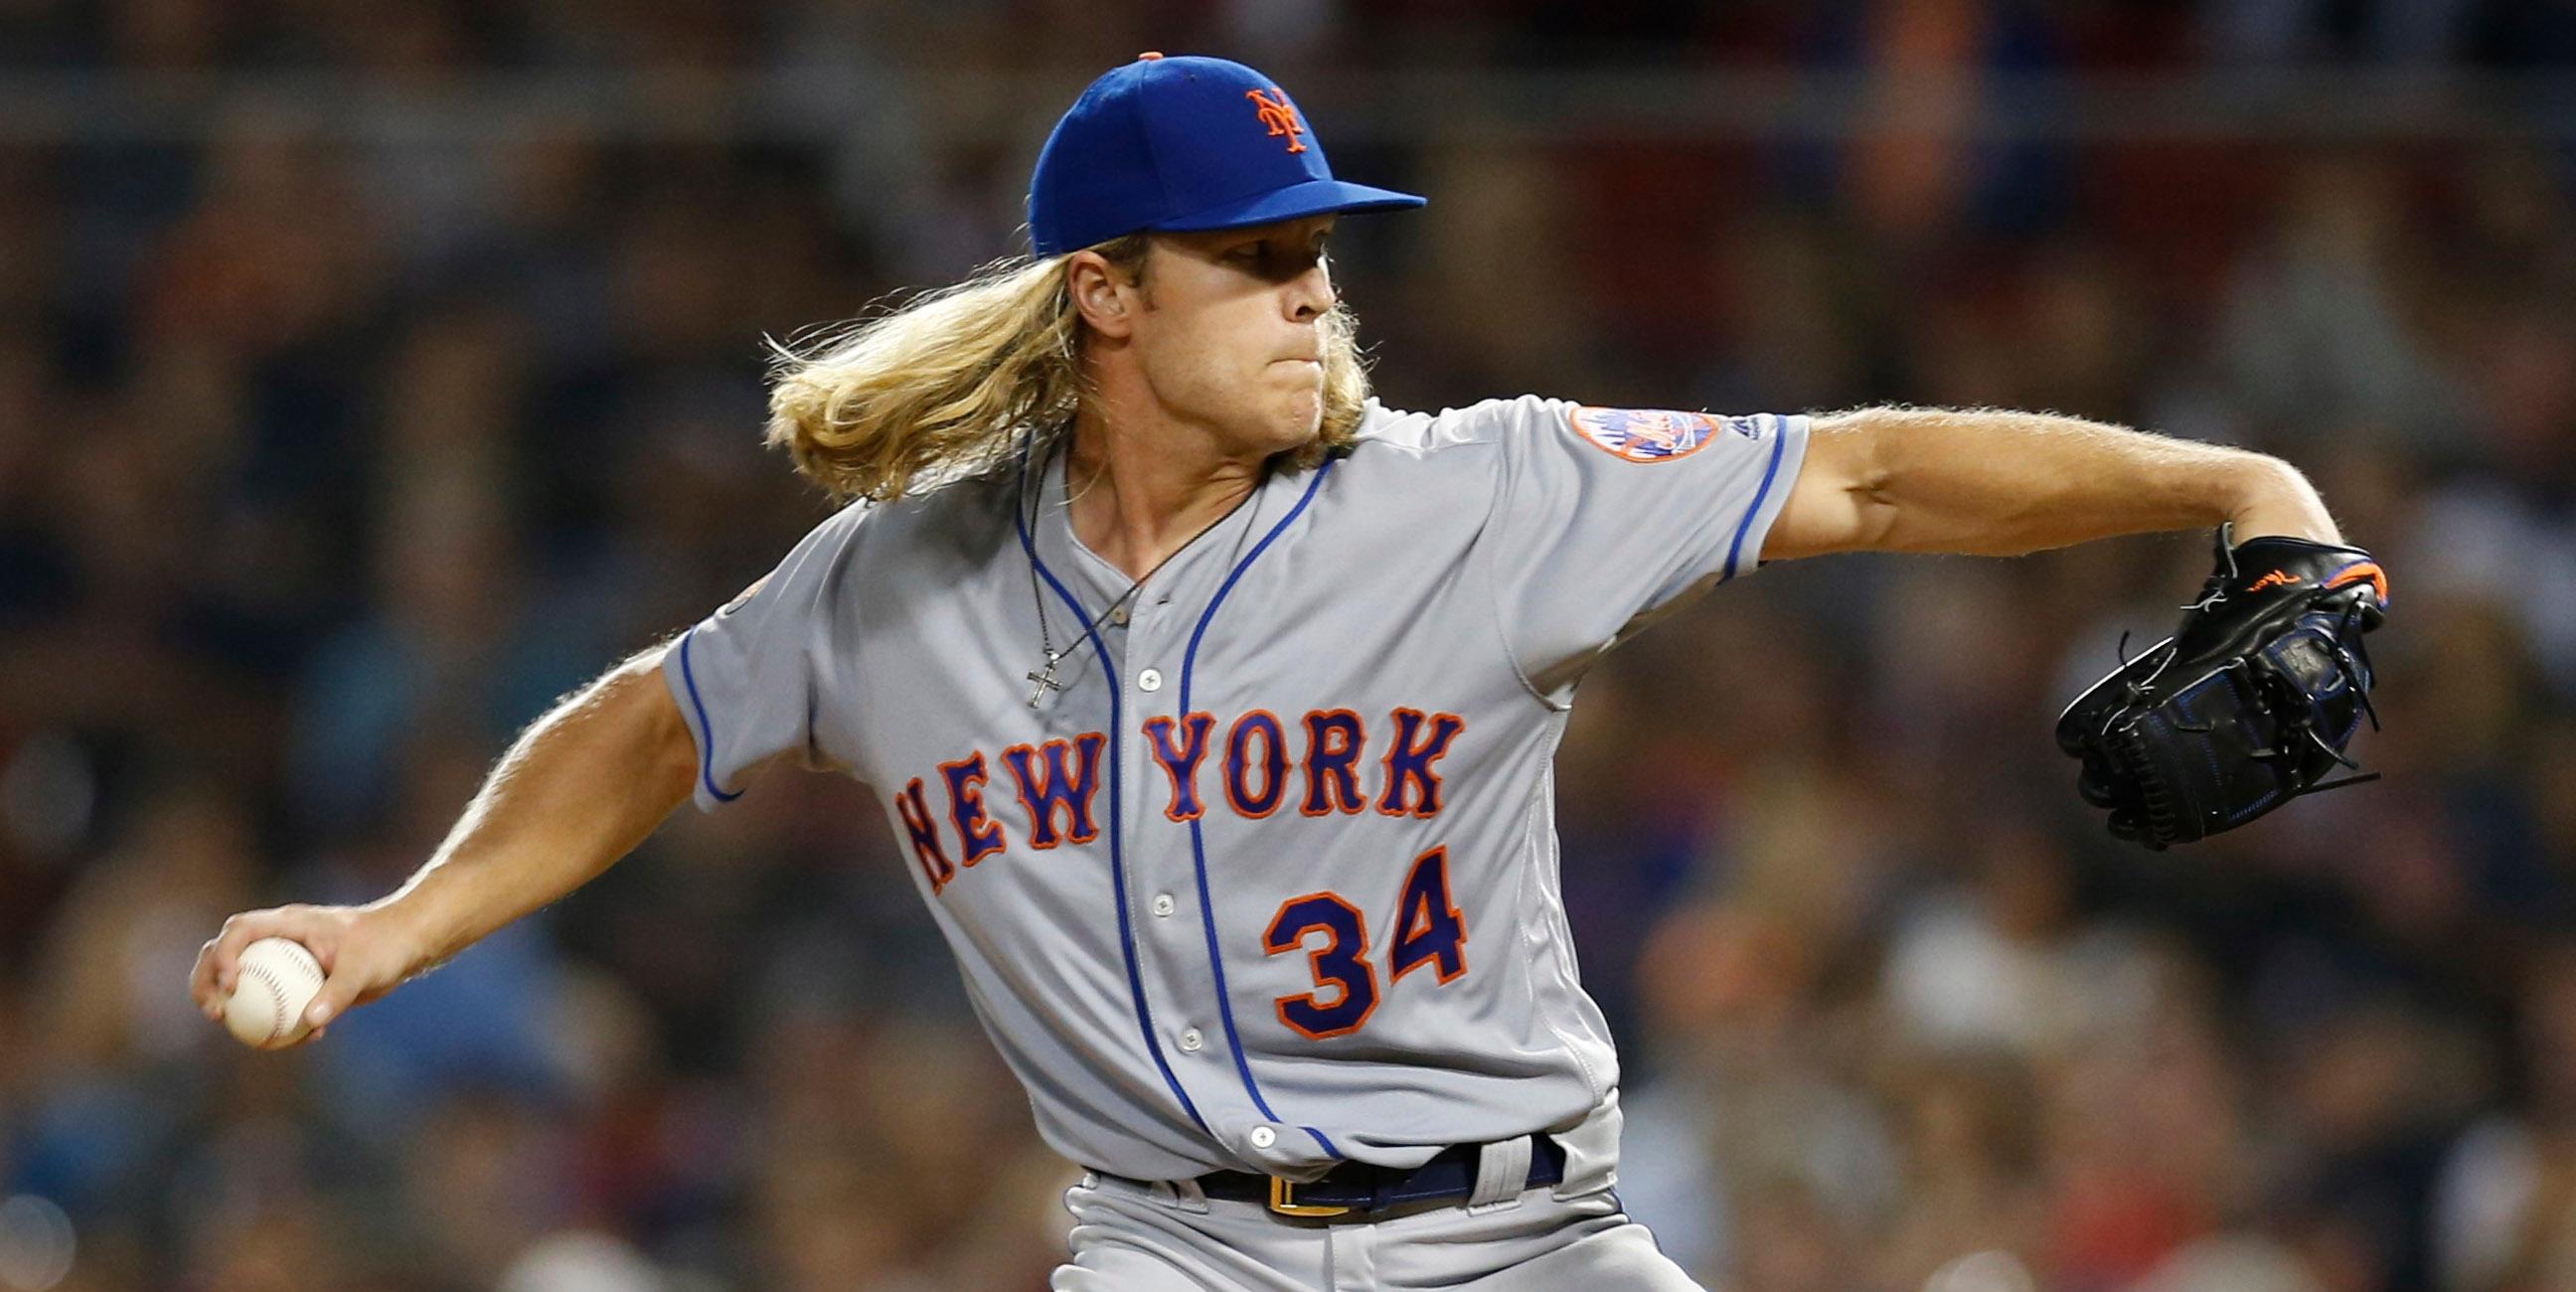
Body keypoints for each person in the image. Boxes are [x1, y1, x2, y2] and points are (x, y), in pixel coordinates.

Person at [190, 54, 2346, 1290]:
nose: (1318, 297)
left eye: (1322, 254)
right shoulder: (897, 584)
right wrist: (394, 924)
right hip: (1173, 1257)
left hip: (1525, 1241)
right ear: (1106, 296)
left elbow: (1869, 475)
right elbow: (657, 714)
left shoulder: (1478, 492)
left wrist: (2230, 469)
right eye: (1261, 260)